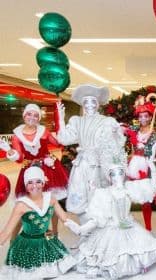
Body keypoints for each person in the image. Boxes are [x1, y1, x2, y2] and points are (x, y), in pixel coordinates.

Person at [64, 163, 156, 279]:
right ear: (109, 177)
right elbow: (98, 218)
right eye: (113, 174)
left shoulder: (129, 188)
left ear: (124, 175)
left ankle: (137, 264)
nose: (117, 177)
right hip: (111, 228)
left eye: (120, 173)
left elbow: (151, 188)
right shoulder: (104, 193)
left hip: (130, 226)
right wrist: (81, 229)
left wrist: (153, 168)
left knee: (139, 248)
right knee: (108, 254)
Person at [56, 84, 126, 224]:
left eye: (93, 101)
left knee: (100, 196)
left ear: (98, 104)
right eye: (86, 102)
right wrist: (61, 119)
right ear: (82, 105)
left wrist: (116, 133)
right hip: (83, 165)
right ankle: (87, 231)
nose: (89, 105)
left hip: (101, 165)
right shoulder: (77, 121)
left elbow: (118, 143)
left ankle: (102, 230)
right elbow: (64, 139)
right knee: (83, 197)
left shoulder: (107, 121)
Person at [0, 103, 68, 236]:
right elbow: (19, 158)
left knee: (52, 203)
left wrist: (60, 119)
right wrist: (9, 150)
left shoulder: (44, 131)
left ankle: (54, 232)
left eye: (36, 115)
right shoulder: (16, 136)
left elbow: (59, 142)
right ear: (24, 115)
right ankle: (27, 233)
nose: (32, 117)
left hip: (49, 169)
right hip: (30, 171)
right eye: (29, 114)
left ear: (39, 118)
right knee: (28, 203)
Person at [0, 166, 76, 279]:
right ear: (25, 185)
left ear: (43, 182)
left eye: (38, 181)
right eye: (30, 182)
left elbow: (64, 218)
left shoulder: (51, 199)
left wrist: (81, 229)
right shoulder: (21, 205)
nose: (34, 186)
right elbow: (7, 232)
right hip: (27, 244)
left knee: (58, 271)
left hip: (47, 238)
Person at [123, 96, 156, 232]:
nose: (143, 119)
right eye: (140, 116)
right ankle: (147, 229)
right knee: (145, 200)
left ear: (150, 117)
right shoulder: (135, 130)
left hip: (152, 169)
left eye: (146, 116)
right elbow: (123, 131)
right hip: (138, 169)